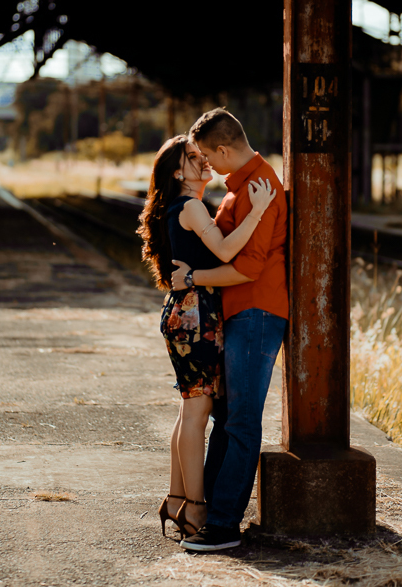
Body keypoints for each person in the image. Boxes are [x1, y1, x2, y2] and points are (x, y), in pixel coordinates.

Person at [137, 134, 276, 540]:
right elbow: (229, 250)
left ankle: (177, 500)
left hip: (183, 313)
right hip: (196, 316)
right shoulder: (193, 206)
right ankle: (195, 511)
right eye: (194, 157)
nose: (205, 162)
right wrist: (258, 211)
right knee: (196, 415)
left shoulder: (178, 207)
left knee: (188, 412)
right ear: (179, 171)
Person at [171, 109, 288, 552]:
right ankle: (213, 517)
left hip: (256, 312)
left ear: (223, 149)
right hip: (240, 313)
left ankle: (223, 525)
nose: (207, 165)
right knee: (228, 417)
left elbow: (246, 268)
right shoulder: (238, 189)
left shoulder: (258, 188)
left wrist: (192, 279)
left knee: (240, 419)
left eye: (207, 157)